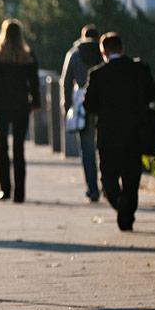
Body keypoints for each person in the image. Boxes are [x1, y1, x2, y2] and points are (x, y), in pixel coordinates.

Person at [83, 32, 155, 231]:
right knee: (131, 177)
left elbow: (88, 105)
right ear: (122, 48)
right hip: (136, 133)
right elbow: (153, 93)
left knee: (108, 177)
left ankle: (120, 205)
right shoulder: (140, 70)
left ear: (103, 52)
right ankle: (126, 215)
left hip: (108, 135)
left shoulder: (97, 75)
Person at [0, 19, 40, 203]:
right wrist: (35, 103)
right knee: (19, 148)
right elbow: (34, 83)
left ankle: (5, 190)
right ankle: (20, 193)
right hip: (21, 106)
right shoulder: (28, 56)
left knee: (2, 147)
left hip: (1, 106)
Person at [60, 25, 103, 202]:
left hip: (82, 104)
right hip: (102, 104)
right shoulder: (102, 52)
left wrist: (67, 107)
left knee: (87, 150)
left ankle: (92, 189)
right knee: (104, 147)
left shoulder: (74, 54)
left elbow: (66, 82)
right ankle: (108, 185)